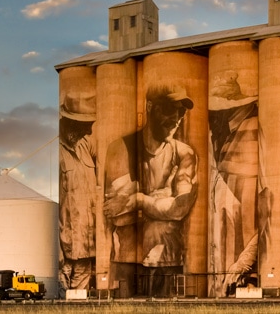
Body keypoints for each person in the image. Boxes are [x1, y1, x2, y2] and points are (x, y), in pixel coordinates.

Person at [103, 85, 198, 297]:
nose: (175, 118)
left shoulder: (184, 154)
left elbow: (180, 207)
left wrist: (138, 199)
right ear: (150, 107)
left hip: (166, 259)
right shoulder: (121, 148)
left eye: (181, 112)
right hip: (126, 259)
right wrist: (161, 198)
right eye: (168, 109)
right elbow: (118, 215)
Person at [208, 71, 260, 297]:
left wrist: (245, 260)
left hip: (244, 256)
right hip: (225, 256)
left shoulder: (255, 128)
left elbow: (274, 206)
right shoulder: (223, 133)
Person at [58, 90, 97, 295]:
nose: (89, 131)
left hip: (87, 246)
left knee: (79, 301)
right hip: (66, 251)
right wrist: (57, 252)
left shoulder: (84, 147)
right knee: (63, 297)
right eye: (86, 125)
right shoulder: (57, 153)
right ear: (69, 122)